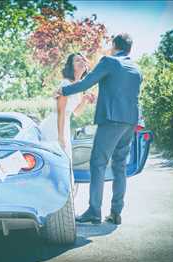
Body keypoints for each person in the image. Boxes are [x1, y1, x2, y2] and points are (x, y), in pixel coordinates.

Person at [55, 33, 143, 225]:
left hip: (111, 120)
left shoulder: (109, 61)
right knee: (120, 166)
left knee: (98, 163)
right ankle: (115, 212)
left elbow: (88, 82)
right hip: (130, 123)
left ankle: (94, 211)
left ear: (114, 46)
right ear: (129, 49)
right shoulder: (136, 69)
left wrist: (64, 90)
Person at [39, 53, 95, 186]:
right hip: (55, 125)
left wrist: (85, 100)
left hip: (65, 124)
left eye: (83, 59)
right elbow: (61, 111)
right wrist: (60, 136)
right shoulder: (66, 84)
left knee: (65, 161)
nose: (81, 62)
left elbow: (76, 113)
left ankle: (64, 192)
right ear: (71, 66)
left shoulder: (80, 86)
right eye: (77, 60)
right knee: (60, 160)